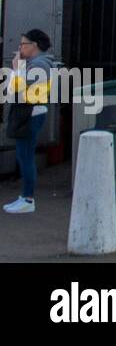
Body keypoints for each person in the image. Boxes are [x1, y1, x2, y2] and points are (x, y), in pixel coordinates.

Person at [5, 29, 53, 214]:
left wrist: (16, 69)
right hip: (30, 112)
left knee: (25, 157)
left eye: (23, 44)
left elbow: (21, 91)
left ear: (34, 45)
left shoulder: (40, 64)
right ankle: (25, 197)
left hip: (31, 113)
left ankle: (28, 199)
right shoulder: (36, 63)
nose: (20, 48)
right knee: (23, 155)